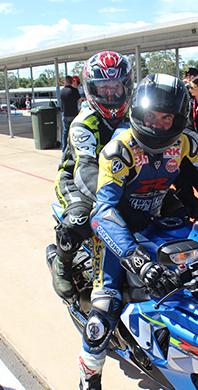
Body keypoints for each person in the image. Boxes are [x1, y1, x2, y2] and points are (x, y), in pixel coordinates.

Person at [78, 73, 198, 390]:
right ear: (138, 111)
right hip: (117, 230)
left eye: (168, 118)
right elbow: (103, 211)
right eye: (152, 116)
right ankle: (89, 382)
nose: (159, 125)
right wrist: (137, 261)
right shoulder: (119, 150)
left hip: (160, 219)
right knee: (104, 309)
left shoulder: (185, 144)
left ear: (179, 119)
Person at [51, 51, 134, 299]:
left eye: (116, 86)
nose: (110, 94)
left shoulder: (134, 115)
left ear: (126, 86)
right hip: (76, 180)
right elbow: (85, 168)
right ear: (91, 89)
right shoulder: (83, 123)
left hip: (121, 179)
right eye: (103, 87)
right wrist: (118, 203)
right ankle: (62, 264)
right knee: (79, 219)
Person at [60, 75, 82, 149]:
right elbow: (79, 100)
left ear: (65, 82)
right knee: (74, 132)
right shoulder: (75, 90)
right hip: (74, 114)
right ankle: (73, 147)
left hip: (65, 114)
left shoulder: (62, 91)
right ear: (72, 82)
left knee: (65, 132)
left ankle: (64, 148)